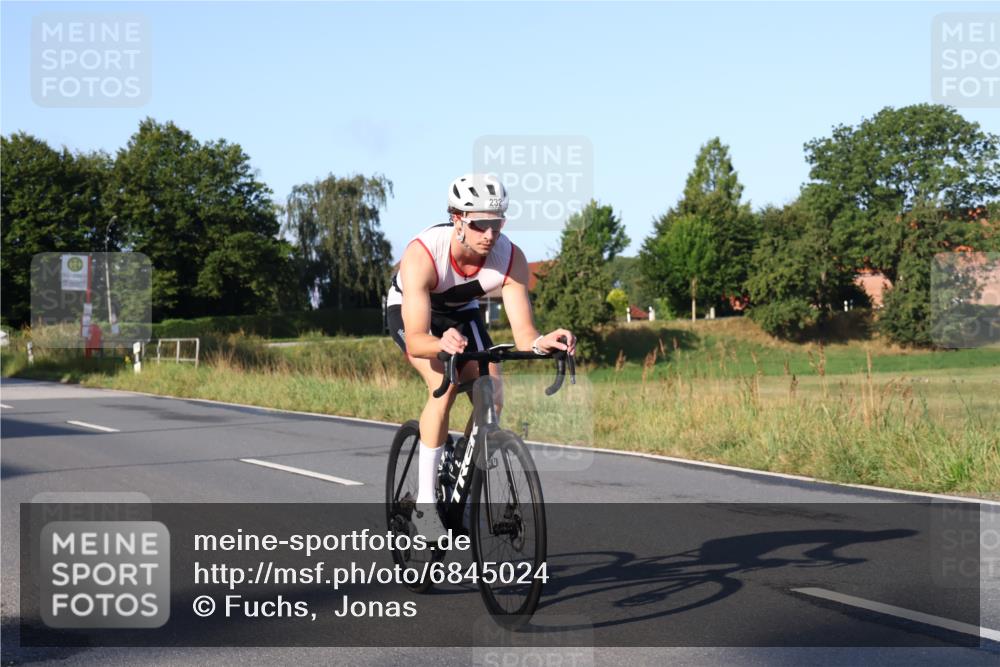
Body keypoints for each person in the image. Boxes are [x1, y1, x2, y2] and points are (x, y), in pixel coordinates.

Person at [386, 173, 576, 542]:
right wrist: (440, 344)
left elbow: (524, 335)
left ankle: (462, 465)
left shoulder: (510, 258)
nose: (490, 234)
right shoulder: (423, 253)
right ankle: (425, 505)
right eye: (479, 224)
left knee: (492, 392)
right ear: (457, 220)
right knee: (445, 384)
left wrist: (544, 342)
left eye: (497, 223)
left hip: (462, 311)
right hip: (414, 315)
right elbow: (418, 340)